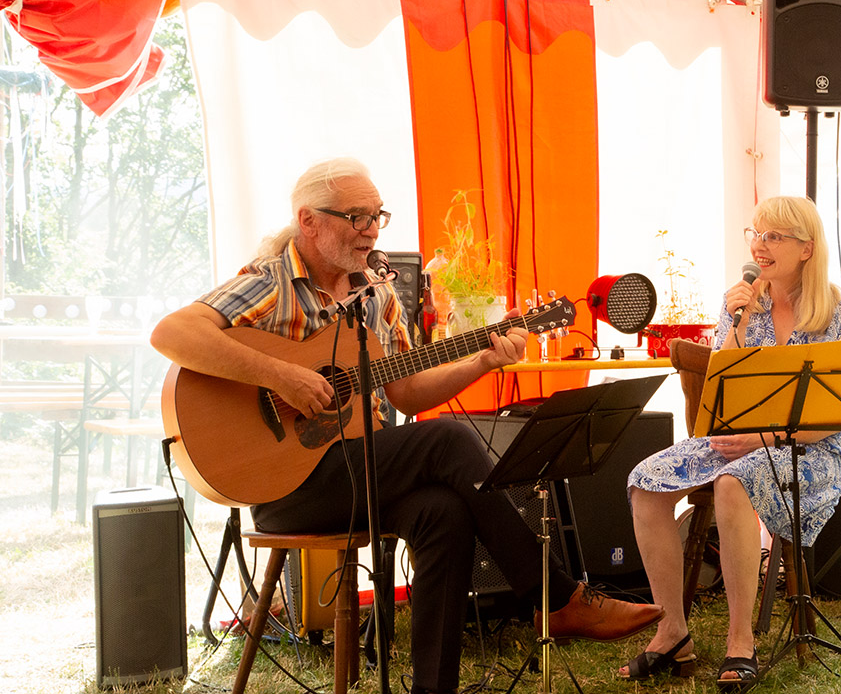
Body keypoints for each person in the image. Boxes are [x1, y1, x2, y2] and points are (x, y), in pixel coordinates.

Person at [150, 157, 663, 694]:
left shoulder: (376, 292)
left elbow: (406, 390)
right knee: (448, 438)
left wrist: (482, 362)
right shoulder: (272, 281)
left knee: (443, 513)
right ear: (309, 221)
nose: (371, 229)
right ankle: (556, 597)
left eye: (377, 215)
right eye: (356, 216)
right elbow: (171, 332)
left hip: (360, 473)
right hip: (284, 486)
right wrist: (282, 376)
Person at [617, 196, 841, 689]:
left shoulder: (840, 313)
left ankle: (740, 640)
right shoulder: (743, 304)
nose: (758, 245)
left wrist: (763, 438)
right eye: (755, 233)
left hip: (809, 450)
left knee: (733, 482)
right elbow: (721, 394)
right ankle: (673, 632)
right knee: (644, 480)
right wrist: (739, 326)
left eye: (773, 236)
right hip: (737, 439)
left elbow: (834, 416)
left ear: (806, 249)